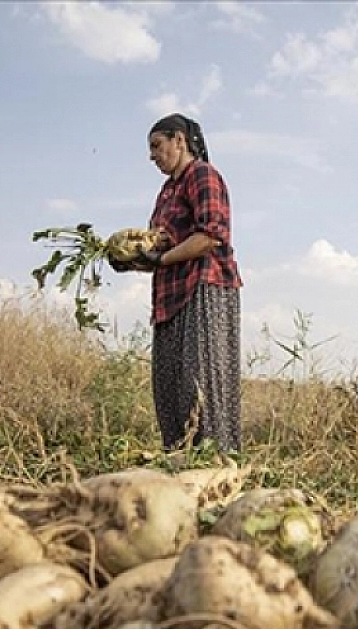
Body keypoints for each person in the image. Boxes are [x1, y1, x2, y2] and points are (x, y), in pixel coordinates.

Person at [111, 112, 243, 455]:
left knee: (201, 387)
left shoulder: (202, 176)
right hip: (169, 297)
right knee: (170, 391)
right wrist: (130, 260)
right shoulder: (167, 191)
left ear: (179, 141)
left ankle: (217, 468)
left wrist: (162, 260)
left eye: (157, 146)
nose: (152, 155)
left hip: (203, 289)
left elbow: (212, 235)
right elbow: (162, 247)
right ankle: (179, 466)